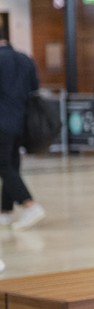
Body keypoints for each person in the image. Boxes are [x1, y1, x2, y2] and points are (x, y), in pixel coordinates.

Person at [0, 27, 45, 230]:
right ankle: (5, 212)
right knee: (11, 164)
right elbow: (35, 87)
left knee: (4, 165)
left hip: (2, 121)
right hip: (22, 122)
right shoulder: (25, 59)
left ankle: (30, 205)